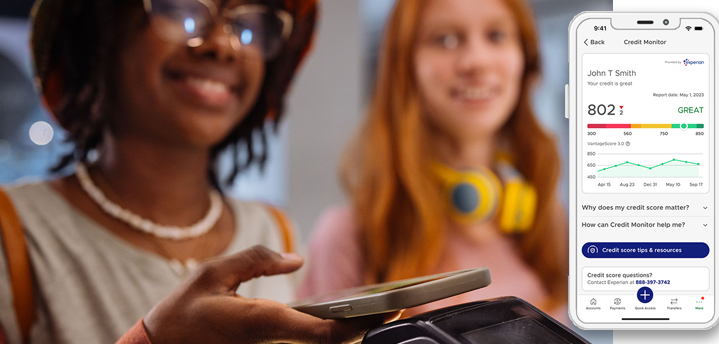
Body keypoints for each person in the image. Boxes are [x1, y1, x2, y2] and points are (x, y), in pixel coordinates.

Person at [0, 0, 390, 343]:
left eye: (250, 21)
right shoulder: (16, 234)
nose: (222, 44)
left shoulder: (273, 231)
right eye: (180, 7)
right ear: (101, 26)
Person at [298, 0, 568, 319]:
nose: (476, 62)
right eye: (445, 39)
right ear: (405, 66)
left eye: (496, 35)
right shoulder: (349, 236)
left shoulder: (548, 223)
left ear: (526, 61)